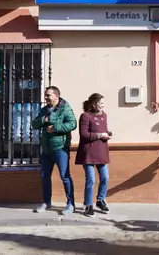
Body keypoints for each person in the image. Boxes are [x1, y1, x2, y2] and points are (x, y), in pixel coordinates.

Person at [32, 86, 77, 215]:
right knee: (44, 176)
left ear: (56, 96)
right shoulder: (44, 110)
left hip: (60, 148)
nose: (46, 97)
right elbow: (34, 125)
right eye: (45, 95)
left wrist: (56, 127)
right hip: (46, 149)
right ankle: (46, 202)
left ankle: (70, 204)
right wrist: (44, 119)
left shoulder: (65, 108)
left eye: (48, 95)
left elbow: (72, 124)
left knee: (65, 176)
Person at [75, 93, 111, 217]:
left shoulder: (104, 115)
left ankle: (100, 200)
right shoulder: (85, 116)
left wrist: (108, 134)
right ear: (93, 103)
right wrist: (100, 135)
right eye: (100, 103)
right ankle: (88, 205)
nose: (102, 106)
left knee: (105, 178)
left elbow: (104, 130)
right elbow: (84, 134)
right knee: (91, 179)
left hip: (101, 151)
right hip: (88, 153)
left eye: (103, 103)